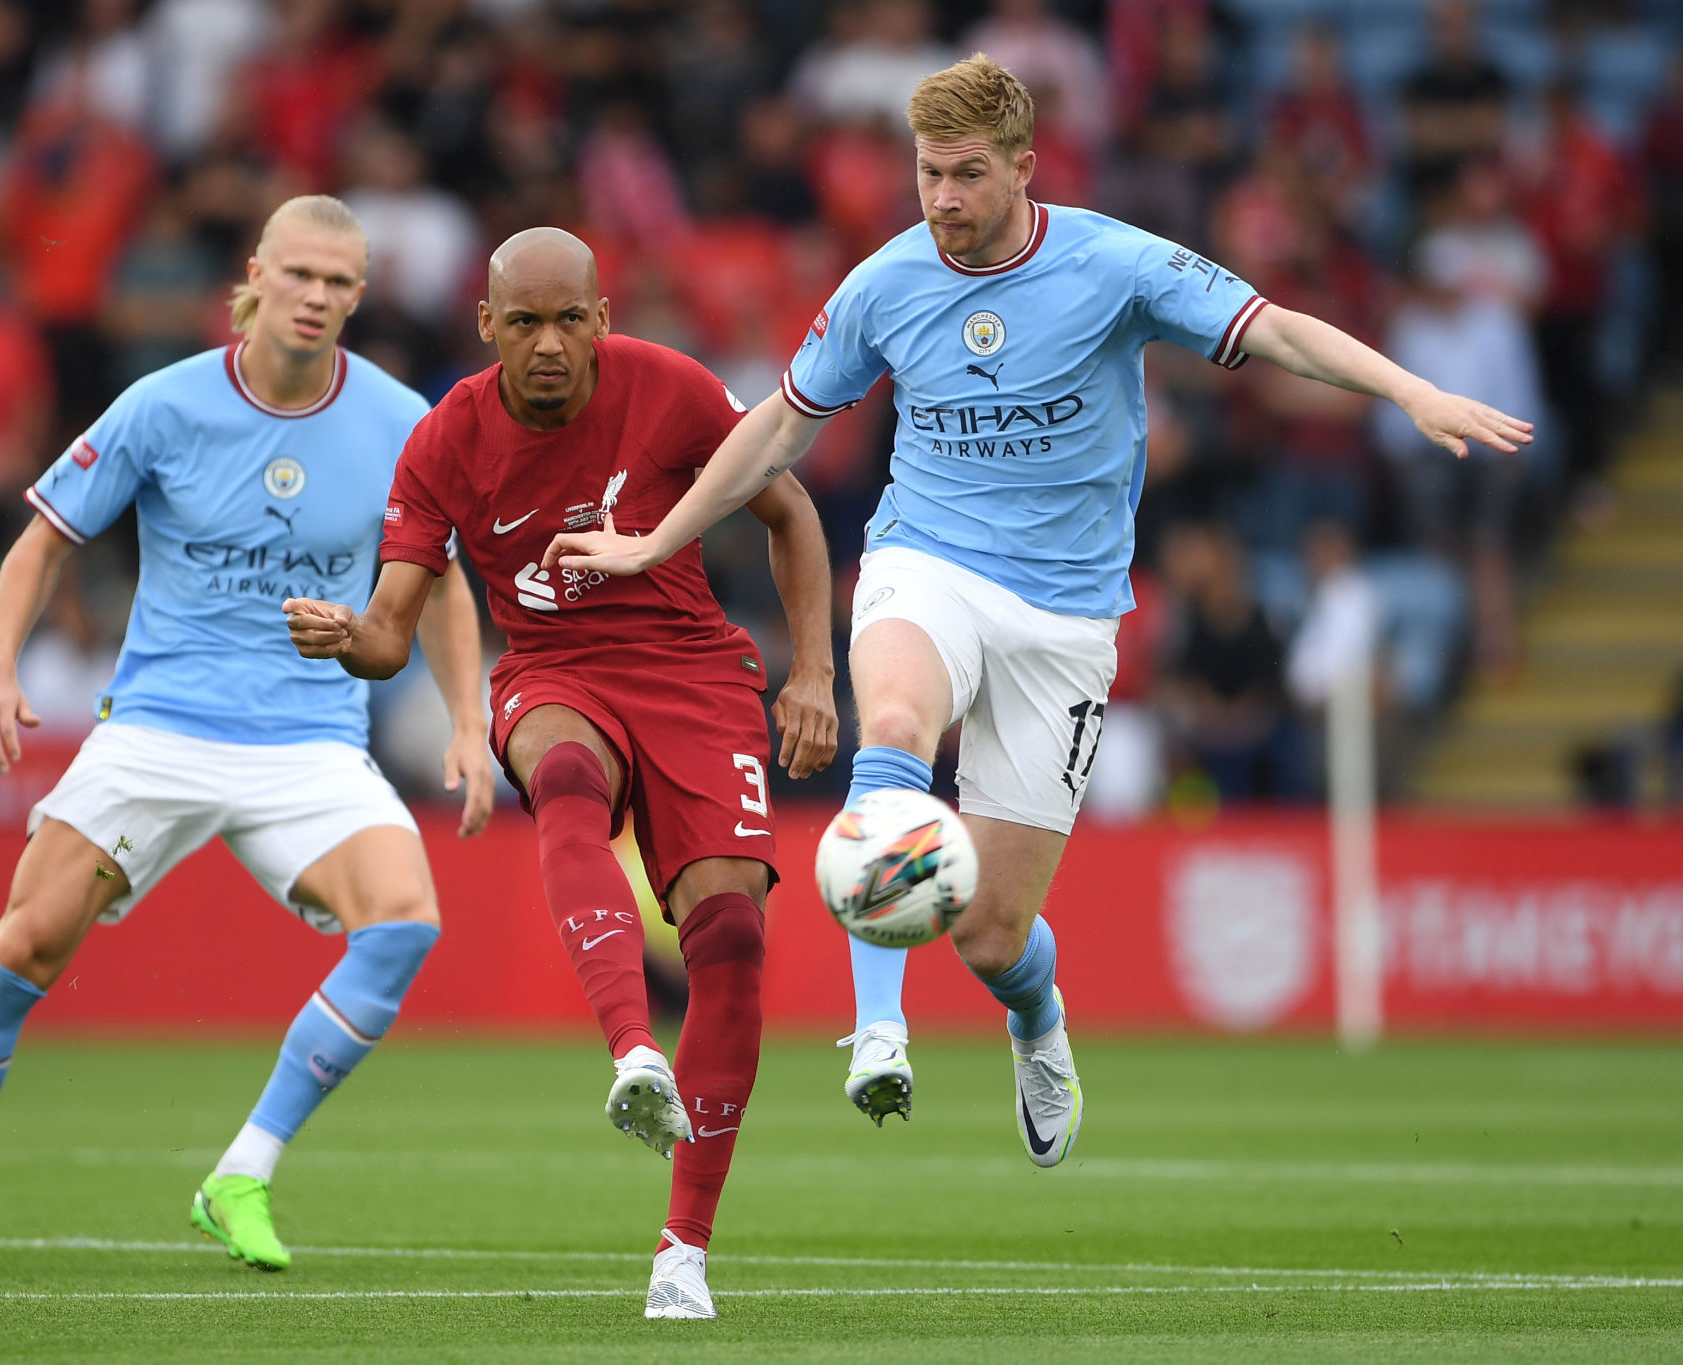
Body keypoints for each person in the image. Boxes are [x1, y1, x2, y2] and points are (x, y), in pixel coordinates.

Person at [547, 55, 1531, 1164]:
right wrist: (655, 541)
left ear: (1024, 165)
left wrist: (1408, 390)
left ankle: (1036, 1019)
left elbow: (1275, 332)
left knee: (989, 930)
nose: (943, 200)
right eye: (926, 175)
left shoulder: (1114, 263)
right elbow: (780, 426)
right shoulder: (883, 284)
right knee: (898, 731)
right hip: (927, 564)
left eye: (967, 175)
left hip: (1063, 618)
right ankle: (878, 1028)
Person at [0, 195, 495, 1274]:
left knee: (405, 922)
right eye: (300, 277)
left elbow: (444, 582)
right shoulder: (164, 406)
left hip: (311, 742)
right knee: (22, 948)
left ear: (359, 297)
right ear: (257, 274)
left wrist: (467, 720)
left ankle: (240, 1171)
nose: (317, 300)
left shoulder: (398, 422)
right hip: (159, 728)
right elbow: (39, 544)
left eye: (339, 284)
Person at [283, 227, 837, 1319]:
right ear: (486, 327)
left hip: (689, 671)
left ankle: (682, 1255)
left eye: (567, 319)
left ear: (602, 321)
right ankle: (634, 1050)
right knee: (565, 774)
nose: (547, 343)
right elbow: (391, 635)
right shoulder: (445, 440)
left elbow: (790, 512)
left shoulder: (670, 391)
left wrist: (813, 670)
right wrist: (341, 635)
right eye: (522, 321)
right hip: (553, 667)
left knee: (728, 937)